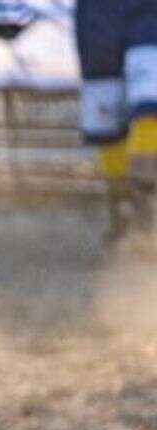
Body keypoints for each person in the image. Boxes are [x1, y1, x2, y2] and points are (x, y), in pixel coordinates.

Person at [76, 0, 157, 248]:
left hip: (148, 14)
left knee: (150, 103)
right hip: (97, 16)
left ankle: (147, 211)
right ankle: (123, 209)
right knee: (106, 120)